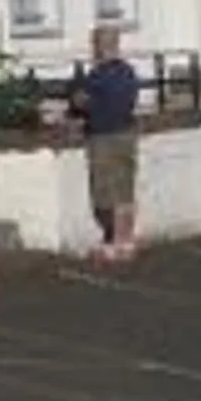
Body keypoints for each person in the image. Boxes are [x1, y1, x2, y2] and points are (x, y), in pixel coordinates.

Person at [72, 25, 142, 261]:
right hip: (127, 133)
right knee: (125, 190)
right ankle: (127, 241)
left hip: (102, 136)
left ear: (100, 46)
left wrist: (78, 101)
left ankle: (111, 242)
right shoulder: (129, 72)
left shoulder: (97, 75)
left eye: (94, 44)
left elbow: (81, 103)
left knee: (104, 192)